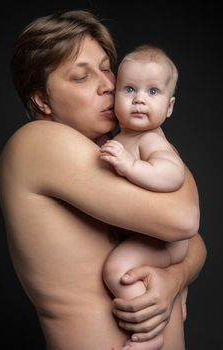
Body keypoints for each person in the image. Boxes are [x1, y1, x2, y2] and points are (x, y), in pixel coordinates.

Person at [0, 10, 206, 350]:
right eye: (81, 77)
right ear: (41, 99)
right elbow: (182, 218)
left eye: (107, 68)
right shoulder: (38, 142)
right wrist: (156, 145)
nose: (108, 84)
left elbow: (193, 242)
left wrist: (173, 279)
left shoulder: (123, 151)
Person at [100, 45, 190, 350]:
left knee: (118, 270)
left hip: (164, 243)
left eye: (153, 91)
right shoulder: (121, 137)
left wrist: (132, 166)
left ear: (169, 106)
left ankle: (149, 336)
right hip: (152, 238)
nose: (139, 99)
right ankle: (179, 290)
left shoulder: (151, 139)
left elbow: (172, 174)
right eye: (129, 89)